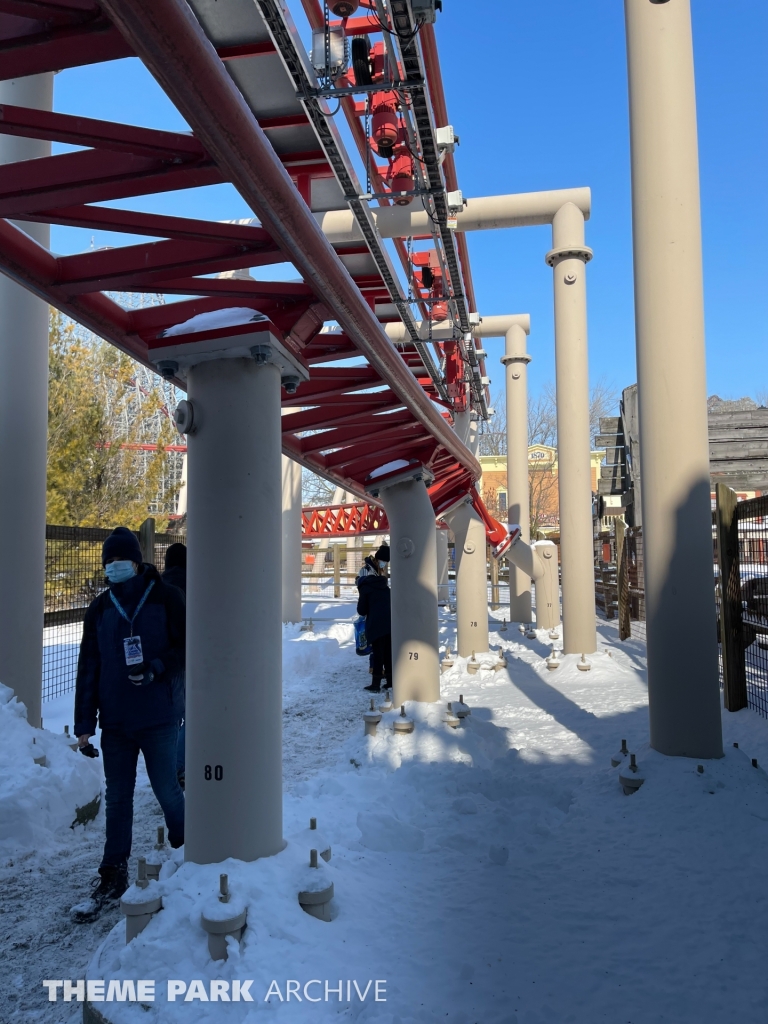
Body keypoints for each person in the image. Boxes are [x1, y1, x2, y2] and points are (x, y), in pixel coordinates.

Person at [71, 527, 186, 923]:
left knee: (166, 788)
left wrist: (156, 668)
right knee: (118, 800)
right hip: (116, 723)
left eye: (120, 561)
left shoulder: (166, 598)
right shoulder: (100, 609)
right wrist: (84, 723)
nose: (114, 568)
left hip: (157, 717)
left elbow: (186, 647)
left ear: (136, 562)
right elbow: (89, 666)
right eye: (109, 563)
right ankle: (111, 873)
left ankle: (186, 852)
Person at [161, 542, 187, 790]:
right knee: (191, 714)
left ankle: (166, 765)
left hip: (163, 661)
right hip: (189, 657)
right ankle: (178, 766)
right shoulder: (196, 583)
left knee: (172, 715)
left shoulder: (158, 586)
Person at [356, 544, 392, 693]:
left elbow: (361, 610)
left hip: (375, 623)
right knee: (388, 652)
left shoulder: (365, 586)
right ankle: (391, 681)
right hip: (389, 622)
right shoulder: (384, 585)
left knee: (378, 653)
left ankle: (376, 684)